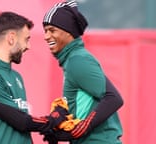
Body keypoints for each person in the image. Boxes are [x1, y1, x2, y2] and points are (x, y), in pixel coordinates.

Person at [0, 11, 69, 144]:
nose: (28, 46)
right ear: (11, 38)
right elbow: (20, 121)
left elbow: (22, 129)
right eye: (26, 39)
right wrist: (53, 120)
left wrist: (51, 131)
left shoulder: (16, 77)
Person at [41, 1, 124, 144]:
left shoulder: (77, 60)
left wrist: (83, 127)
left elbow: (113, 98)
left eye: (52, 30)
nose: (46, 36)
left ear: (68, 32)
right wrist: (58, 129)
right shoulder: (72, 60)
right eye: (45, 31)